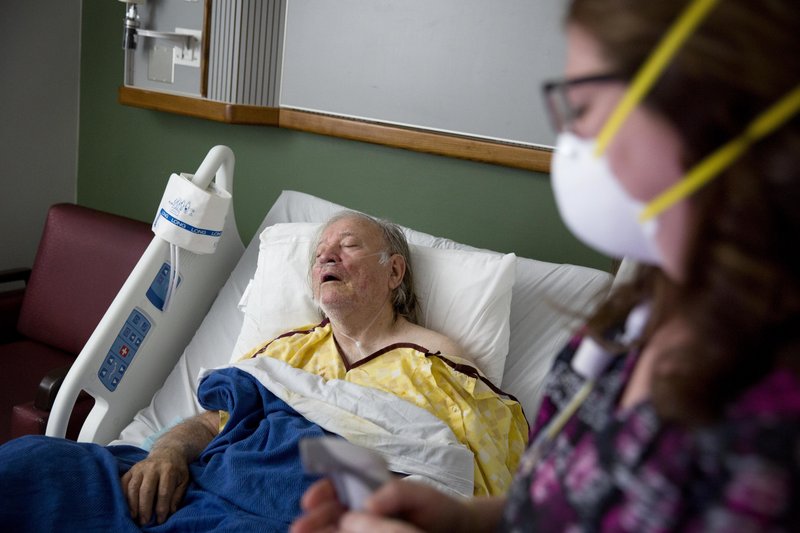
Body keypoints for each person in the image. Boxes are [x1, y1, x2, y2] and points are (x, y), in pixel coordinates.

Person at [291, 0, 800, 531]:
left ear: (705, 117)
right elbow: (557, 506)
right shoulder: (629, 321)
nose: (569, 138)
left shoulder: (773, 426)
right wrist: (464, 523)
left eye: (582, 107)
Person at [0, 211, 527, 532]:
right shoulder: (284, 353)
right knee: (34, 462)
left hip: (295, 512)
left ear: (394, 270)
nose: (327, 255)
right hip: (199, 485)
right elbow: (211, 424)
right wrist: (165, 451)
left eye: (347, 245)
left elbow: (463, 480)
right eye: (321, 250)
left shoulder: (443, 366)